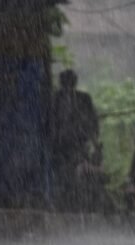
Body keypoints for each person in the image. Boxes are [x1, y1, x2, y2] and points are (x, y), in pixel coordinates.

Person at [50, 69, 99, 209]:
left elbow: (92, 123)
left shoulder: (60, 98)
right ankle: (71, 200)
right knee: (69, 173)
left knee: (70, 173)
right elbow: (93, 123)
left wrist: (95, 144)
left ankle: (71, 200)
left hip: (70, 145)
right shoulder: (59, 99)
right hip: (67, 145)